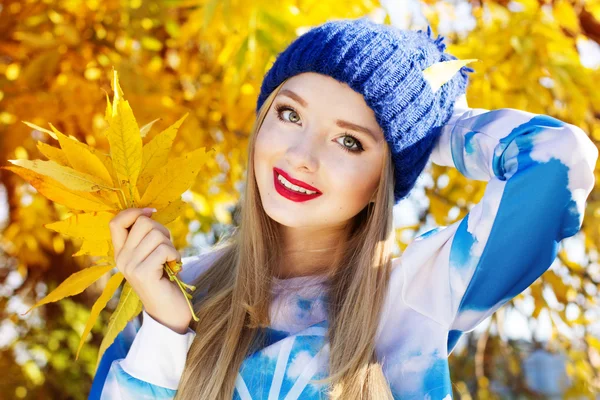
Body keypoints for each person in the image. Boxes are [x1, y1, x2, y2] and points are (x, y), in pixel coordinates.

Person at [89, 17, 598, 400]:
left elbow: (559, 161)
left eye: (349, 143)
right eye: (289, 114)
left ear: (384, 180)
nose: (300, 157)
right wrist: (166, 330)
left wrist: (435, 131)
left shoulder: (416, 297)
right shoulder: (171, 288)